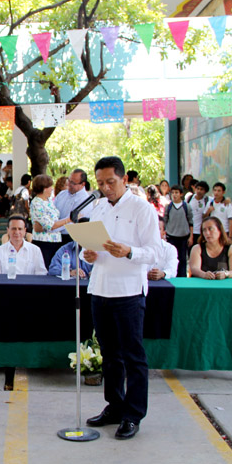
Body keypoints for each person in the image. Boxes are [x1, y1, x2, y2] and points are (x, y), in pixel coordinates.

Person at [82, 156, 159, 440]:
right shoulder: (98, 207)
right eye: (101, 183)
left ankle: (133, 413)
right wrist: (87, 254)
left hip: (128, 291)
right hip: (100, 287)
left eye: (110, 182)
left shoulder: (142, 209)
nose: (105, 188)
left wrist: (129, 251)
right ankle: (114, 405)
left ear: (124, 179)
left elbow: (154, 251)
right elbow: (89, 246)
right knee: (109, 354)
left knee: (133, 355)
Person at [30, 174, 72, 267]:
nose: (52, 189)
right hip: (44, 243)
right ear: (44, 188)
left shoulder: (49, 201)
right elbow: (50, 225)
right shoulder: (37, 203)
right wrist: (68, 219)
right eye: (50, 186)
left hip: (55, 241)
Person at [163, 185, 193, 277]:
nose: (174, 195)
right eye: (172, 193)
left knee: (183, 259)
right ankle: (172, 275)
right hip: (171, 236)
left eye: (176, 193)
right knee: (171, 257)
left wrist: (191, 236)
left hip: (183, 236)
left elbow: (190, 222)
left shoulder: (186, 206)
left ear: (181, 194)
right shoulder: (169, 207)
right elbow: (165, 221)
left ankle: (182, 277)